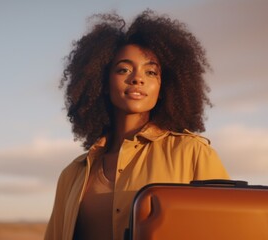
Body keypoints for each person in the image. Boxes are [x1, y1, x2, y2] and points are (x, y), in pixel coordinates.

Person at [44, 9, 229, 240]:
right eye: (124, 69)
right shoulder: (72, 174)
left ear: (163, 88)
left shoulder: (193, 154)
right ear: (101, 81)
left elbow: (226, 229)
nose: (137, 78)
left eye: (151, 72)